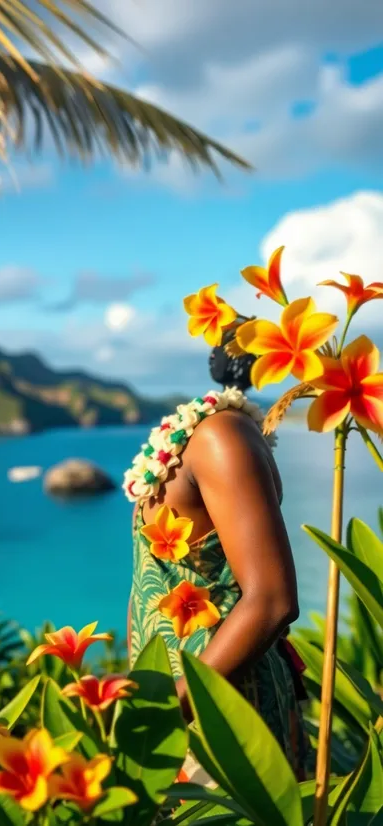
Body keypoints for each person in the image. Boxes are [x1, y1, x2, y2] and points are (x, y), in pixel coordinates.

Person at [125, 328, 308, 782]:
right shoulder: (213, 435)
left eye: (228, 347)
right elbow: (149, 580)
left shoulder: (219, 437)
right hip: (173, 695)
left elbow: (272, 600)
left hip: (218, 703)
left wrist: (180, 701)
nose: (221, 356)